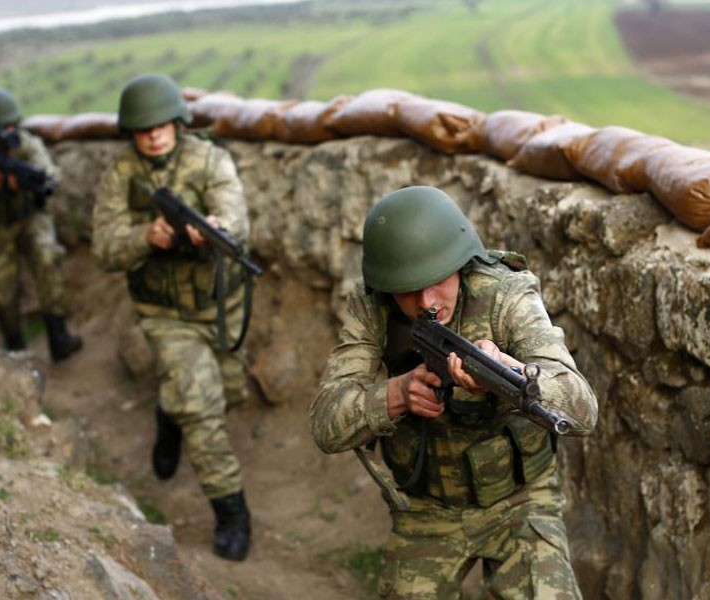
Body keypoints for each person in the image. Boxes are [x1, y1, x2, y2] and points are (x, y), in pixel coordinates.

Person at [310, 186, 599, 599]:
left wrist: (513, 371)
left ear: (461, 263)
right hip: (429, 509)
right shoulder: (372, 307)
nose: (427, 302)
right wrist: (396, 394)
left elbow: (581, 409)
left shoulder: (506, 295)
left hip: (520, 502)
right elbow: (324, 423)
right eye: (408, 290)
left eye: (436, 281)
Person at [91, 73, 253, 561]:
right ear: (131, 133)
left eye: (162, 125)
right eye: (143, 129)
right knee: (202, 410)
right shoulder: (121, 174)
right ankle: (232, 511)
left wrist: (218, 228)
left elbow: (236, 218)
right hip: (164, 315)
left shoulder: (210, 160)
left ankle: (168, 412)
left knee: (229, 393)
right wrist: (148, 237)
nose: (154, 135)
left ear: (178, 123)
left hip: (219, 308)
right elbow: (103, 246)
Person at [0, 87, 82, 362]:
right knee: (1, 289)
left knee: (48, 257)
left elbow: (49, 176)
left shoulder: (25, 143)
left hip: (29, 215)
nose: (3, 133)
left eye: (8, 126)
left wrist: (22, 184)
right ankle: (15, 347)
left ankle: (58, 336)